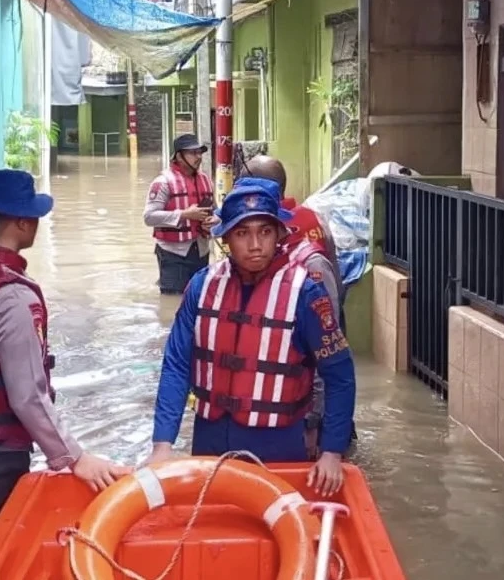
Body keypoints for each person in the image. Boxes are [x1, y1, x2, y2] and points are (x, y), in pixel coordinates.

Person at [0, 169, 130, 562]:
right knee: (3, 562)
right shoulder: (13, 298)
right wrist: (75, 458)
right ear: (22, 223)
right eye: (34, 216)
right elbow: (28, 396)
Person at [144, 183, 356, 496]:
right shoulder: (202, 286)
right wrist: (163, 444)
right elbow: (177, 364)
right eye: (243, 233)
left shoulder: (305, 293)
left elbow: (339, 376)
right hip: (210, 437)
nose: (255, 245)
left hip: (278, 442)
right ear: (226, 238)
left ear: (279, 234)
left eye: (265, 232)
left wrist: (331, 451)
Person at [236, 155, 359, 456]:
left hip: (307, 397)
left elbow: (319, 346)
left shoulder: (301, 251)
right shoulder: (312, 218)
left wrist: (314, 420)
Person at [144, 134, 216, 294]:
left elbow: (215, 210)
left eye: (199, 152)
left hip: (201, 250)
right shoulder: (162, 182)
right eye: (193, 153)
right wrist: (184, 215)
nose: (198, 157)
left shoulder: (206, 180)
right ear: (179, 156)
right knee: (173, 298)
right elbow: (149, 217)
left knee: (198, 296)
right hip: (173, 253)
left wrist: (213, 220)